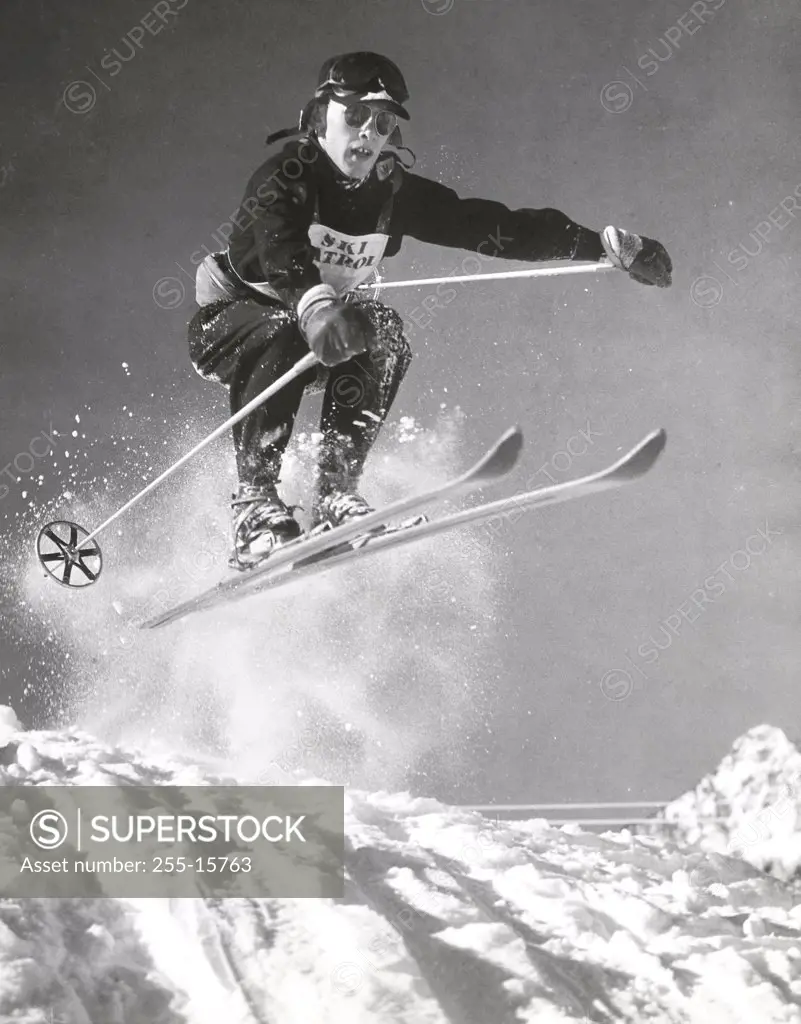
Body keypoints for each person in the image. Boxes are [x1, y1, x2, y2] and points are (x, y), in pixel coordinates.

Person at [188, 52, 672, 570]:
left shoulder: (389, 192)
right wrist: (314, 306)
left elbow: (488, 226)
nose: (368, 135)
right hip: (235, 327)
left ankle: (335, 494)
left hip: (321, 334)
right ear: (319, 114)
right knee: (285, 329)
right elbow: (279, 247)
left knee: (386, 332)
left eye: (383, 123)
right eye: (354, 117)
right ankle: (255, 506)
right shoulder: (286, 176)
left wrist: (600, 246)